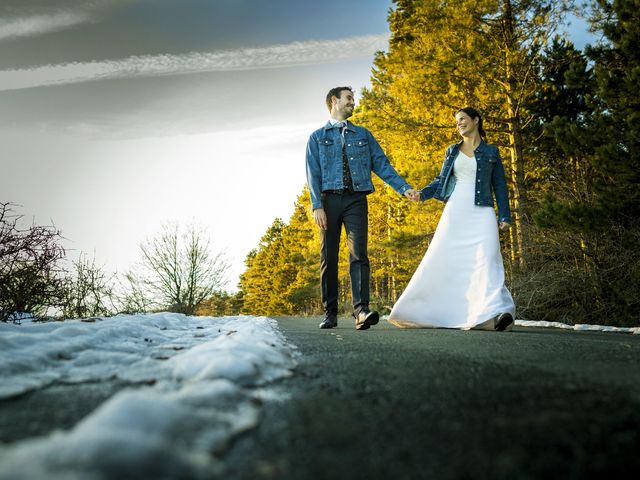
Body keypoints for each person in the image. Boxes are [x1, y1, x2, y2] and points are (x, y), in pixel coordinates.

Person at [387, 107, 516, 331]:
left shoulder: (492, 152)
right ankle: (430, 310)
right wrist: (422, 194)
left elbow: (500, 186)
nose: (459, 124)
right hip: (456, 210)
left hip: (483, 211)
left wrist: (504, 214)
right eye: (457, 121)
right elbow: (440, 180)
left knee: (487, 259)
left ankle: (495, 312)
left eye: (463, 119)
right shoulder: (452, 151)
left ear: (476, 121)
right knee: (444, 260)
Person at [306, 86, 420, 330]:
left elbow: (382, 164)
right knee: (329, 257)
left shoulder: (363, 135)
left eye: (353, 99)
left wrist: (403, 188)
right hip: (329, 201)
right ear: (334, 101)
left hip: (356, 199)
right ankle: (331, 313)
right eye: (349, 99)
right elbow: (312, 174)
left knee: (359, 254)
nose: (353, 103)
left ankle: (361, 311)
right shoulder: (317, 137)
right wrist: (317, 206)